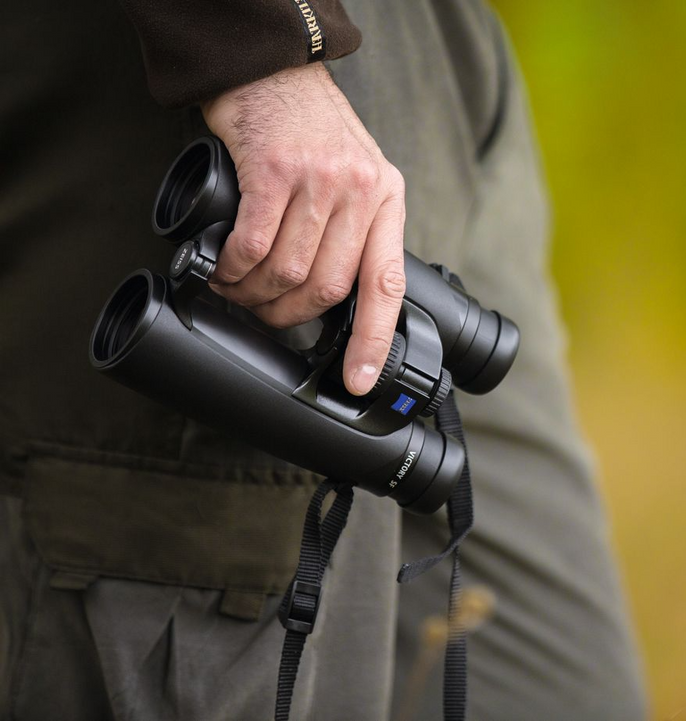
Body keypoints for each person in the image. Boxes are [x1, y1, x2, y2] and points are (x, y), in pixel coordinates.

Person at [0, 2, 647, 719]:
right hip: (209, 61)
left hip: (444, 53)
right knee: (214, 633)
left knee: (556, 685)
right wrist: (260, 46)